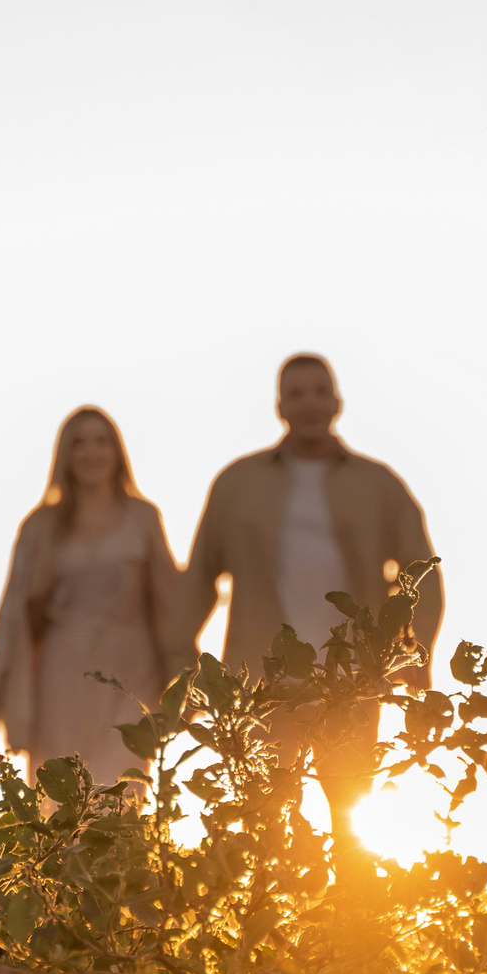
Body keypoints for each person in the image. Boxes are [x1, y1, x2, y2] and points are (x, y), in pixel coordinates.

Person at [181, 354, 442, 836]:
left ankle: (355, 914)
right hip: (261, 685)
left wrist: (414, 652)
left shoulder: (378, 485)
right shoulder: (237, 484)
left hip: (352, 682)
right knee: (262, 824)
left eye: (319, 391)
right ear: (279, 405)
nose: (309, 403)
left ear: (338, 402)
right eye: (296, 393)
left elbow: (421, 576)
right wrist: (186, 672)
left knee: (352, 823)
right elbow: (196, 582)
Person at [0, 407, 189, 777]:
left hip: (133, 674)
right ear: (65, 455)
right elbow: (13, 616)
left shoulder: (143, 517)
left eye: (101, 441)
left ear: (117, 452)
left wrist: (188, 681)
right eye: (79, 443)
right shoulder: (39, 526)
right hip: (61, 676)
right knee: (59, 796)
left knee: (122, 794)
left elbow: (172, 603)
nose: (91, 453)